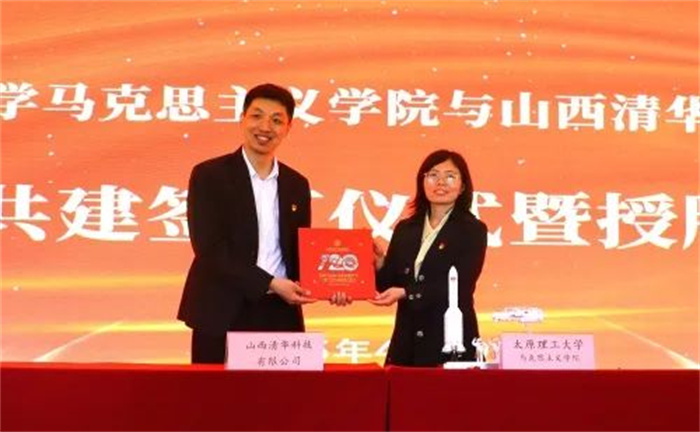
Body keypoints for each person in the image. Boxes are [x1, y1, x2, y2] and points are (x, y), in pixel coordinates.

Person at [177, 83, 315, 364]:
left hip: (280, 311)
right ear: (242, 118)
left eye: (276, 120)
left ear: (288, 127)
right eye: (257, 116)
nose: (265, 127)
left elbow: (301, 249)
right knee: (216, 391)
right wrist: (269, 282)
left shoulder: (297, 184)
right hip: (220, 309)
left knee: (280, 392)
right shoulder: (209, 176)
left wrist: (333, 283)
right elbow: (209, 249)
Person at [370, 149, 488, 366]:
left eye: (450, 176)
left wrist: (407, 293)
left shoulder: (472, 230)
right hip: (407, 341)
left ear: (463, 186)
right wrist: (379, 263)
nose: (440, 182)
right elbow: (389, 285)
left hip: (451, 340)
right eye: (433, 175)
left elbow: (461, 284)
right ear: (422, 181)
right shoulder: (406, 229)